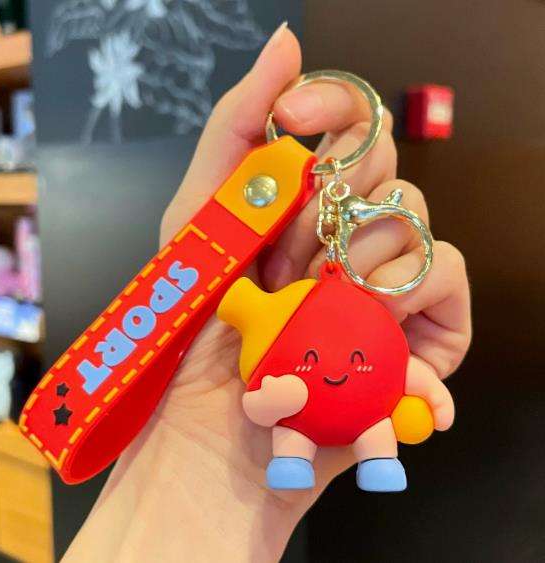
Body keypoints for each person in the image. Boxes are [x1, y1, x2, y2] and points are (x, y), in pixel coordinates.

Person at [63, 23, 471, 562]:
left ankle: (377, 462)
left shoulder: (345, 332)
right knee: (305, 439)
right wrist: (202, 452)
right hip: (300, 425)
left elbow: (402, 376)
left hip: (363, 417)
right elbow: (262, 405)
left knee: (363, 433)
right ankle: (359, 460)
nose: (333, 368)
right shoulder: (276, 343)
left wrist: (426, 389)